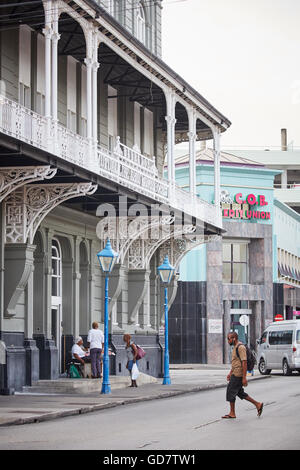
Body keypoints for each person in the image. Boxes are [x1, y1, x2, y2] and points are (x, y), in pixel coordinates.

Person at [222, 331, 263, 419]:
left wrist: (244, 378)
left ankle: (232, 413)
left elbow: (244, 362)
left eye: (228, 339)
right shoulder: (235, 347)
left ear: (234, 338)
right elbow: (235, 363)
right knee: (240, 393)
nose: (228, 341)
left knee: (230, 392)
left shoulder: (240, 348)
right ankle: (258, 404)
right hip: (235, 373)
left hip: (238, 374)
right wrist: (230, 373)